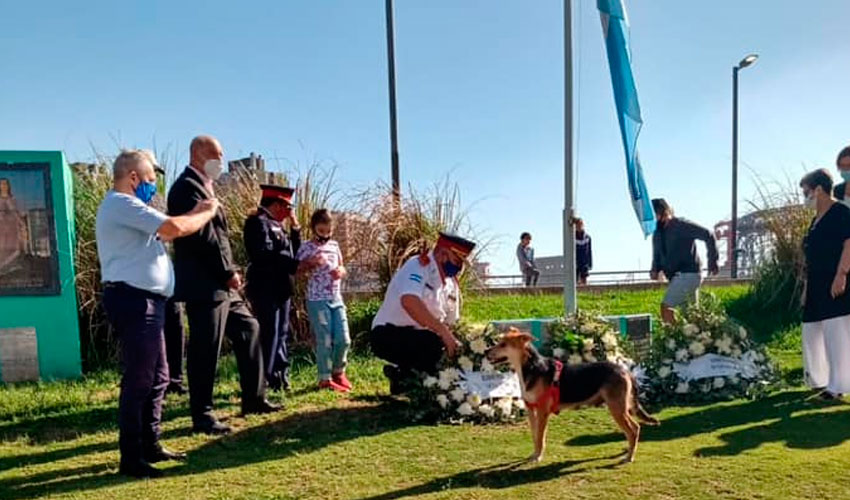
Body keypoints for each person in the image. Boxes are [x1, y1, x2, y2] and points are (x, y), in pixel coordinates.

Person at [95, 149, 219, 478]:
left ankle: (150, 444)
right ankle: (131, 456)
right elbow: (174, 227)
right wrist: (205, 211)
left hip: (150, 301)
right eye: (150, 179)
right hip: (134, 300)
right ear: (132, 178)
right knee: (140, 379)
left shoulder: (133, 207)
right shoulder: (122, 204)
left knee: (159, 377)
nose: (153, 186)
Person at [167, 135, 279, 436]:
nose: (220, 159)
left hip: (222, 284)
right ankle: (201, 414)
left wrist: (230, 273)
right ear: (197, 155)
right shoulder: (185, 188)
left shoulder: (205, 187)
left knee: (249, 328)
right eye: (215, 155)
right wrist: (227, 271)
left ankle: (254, 398)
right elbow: (204, 237)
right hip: (205, 283)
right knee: (206, 347)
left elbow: (220, 236)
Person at [370, 232, 475, 394]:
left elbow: (452, 322)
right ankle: (415, 380)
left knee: (449, 348)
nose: (460, 267)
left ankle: (403, 378)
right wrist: (443, 332)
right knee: (432, 344)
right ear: (442, 253)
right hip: (388, 333)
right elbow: (410, 301)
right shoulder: (418, 266)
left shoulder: (451, 285)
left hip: (423, 338)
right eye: (457, 260)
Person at [243, 184, 302, 392]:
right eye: (287, 206)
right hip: (265, 287)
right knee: (269, 333)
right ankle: (264, 379)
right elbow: (264, 254)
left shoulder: (279, 225)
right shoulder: (258, 223)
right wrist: (294, 265)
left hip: (282, 287)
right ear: (276, 204)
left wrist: (296, 230)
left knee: (282, 332)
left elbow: (293, 251)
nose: (290, 211)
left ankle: (280, 375)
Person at [799, 169, 850, 400]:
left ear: (819, 189)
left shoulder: (841, 212)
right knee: (811, 329)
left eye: (806, 192)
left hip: (835, 279)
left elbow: (849, 244)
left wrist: (841, 274)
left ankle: (837, 386)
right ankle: (818, 379)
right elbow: (811, 257)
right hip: (816, 282)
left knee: (835, 330)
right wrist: (806, 288)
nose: (805, 197)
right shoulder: (814, 221)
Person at [296, 209, 352, 393]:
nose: (325, 236)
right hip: (317, 299)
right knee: (325, 339)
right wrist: (310, 263)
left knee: (343, 339)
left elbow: (342, 266)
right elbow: (296, 271)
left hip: (336, 297)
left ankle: (338, 371)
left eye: (328, 231)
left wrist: (341, 272)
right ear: (313, 228)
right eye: (321, 231)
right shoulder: (305, 248)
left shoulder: (334, 246)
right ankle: (324, 377)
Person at [650, 198, 719, 324]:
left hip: (688, 274)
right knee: (692, 317)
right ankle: (697, 340)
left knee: (666, 308)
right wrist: (655, 269)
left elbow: (708, 235)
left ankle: (673, 339)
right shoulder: (657, 233)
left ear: (663, 212)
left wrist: (712, 262)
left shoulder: (681, 225)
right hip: (676, 278)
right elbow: (657, 254)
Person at [0, 178, 25, 272]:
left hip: (12, 227)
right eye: (1, 184)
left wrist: (21, 223)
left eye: (5, 184)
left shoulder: (12, 199)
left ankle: (7, 267)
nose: (3, 186)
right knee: (3, 247)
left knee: (15, 249)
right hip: (2, 227)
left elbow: (15, 212)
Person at [163, 298, 187, 395]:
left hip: (173, 295)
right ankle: (161, 382)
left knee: (177, 333)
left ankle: (175, 380)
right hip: (155, 294)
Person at [575, 218, 593, 286]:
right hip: (576, 262)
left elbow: (589, 251)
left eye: (580, 225)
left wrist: (590, 263)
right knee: (575, 280)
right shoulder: (573, 237)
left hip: (584, 262)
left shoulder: (587, 237)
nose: (579, 227)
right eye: (577, 226)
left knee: (584, 279)